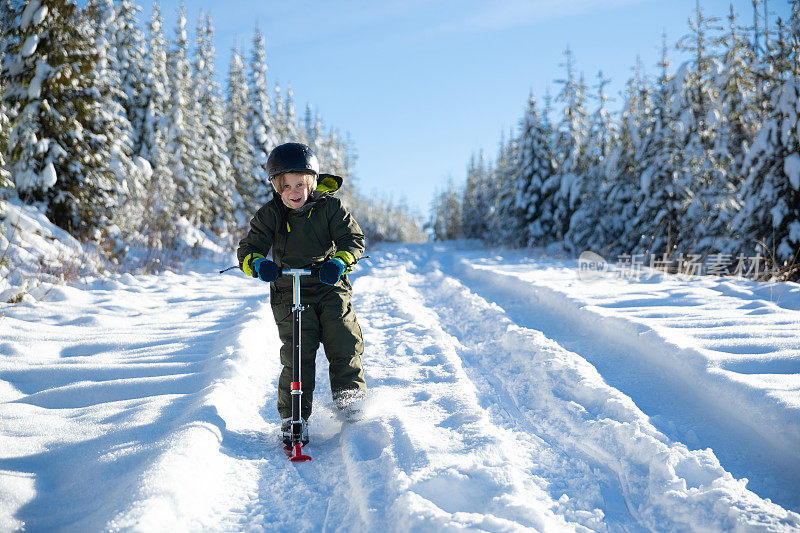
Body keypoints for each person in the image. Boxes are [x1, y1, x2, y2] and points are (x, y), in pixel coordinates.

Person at [237, 142, 367, 446]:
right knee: (298, 352)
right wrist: (258, 265)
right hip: (289, 289)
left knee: (343, 341)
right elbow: (248, 249)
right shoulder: (271, 214)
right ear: (277, 187)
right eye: (286, 186)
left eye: (301, 184)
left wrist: (339, 261)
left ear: (312, 183)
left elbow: (353, 239)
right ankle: (293, 417)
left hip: (329, 285)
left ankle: (352, 406)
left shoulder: (330, 208)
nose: (294, 192)